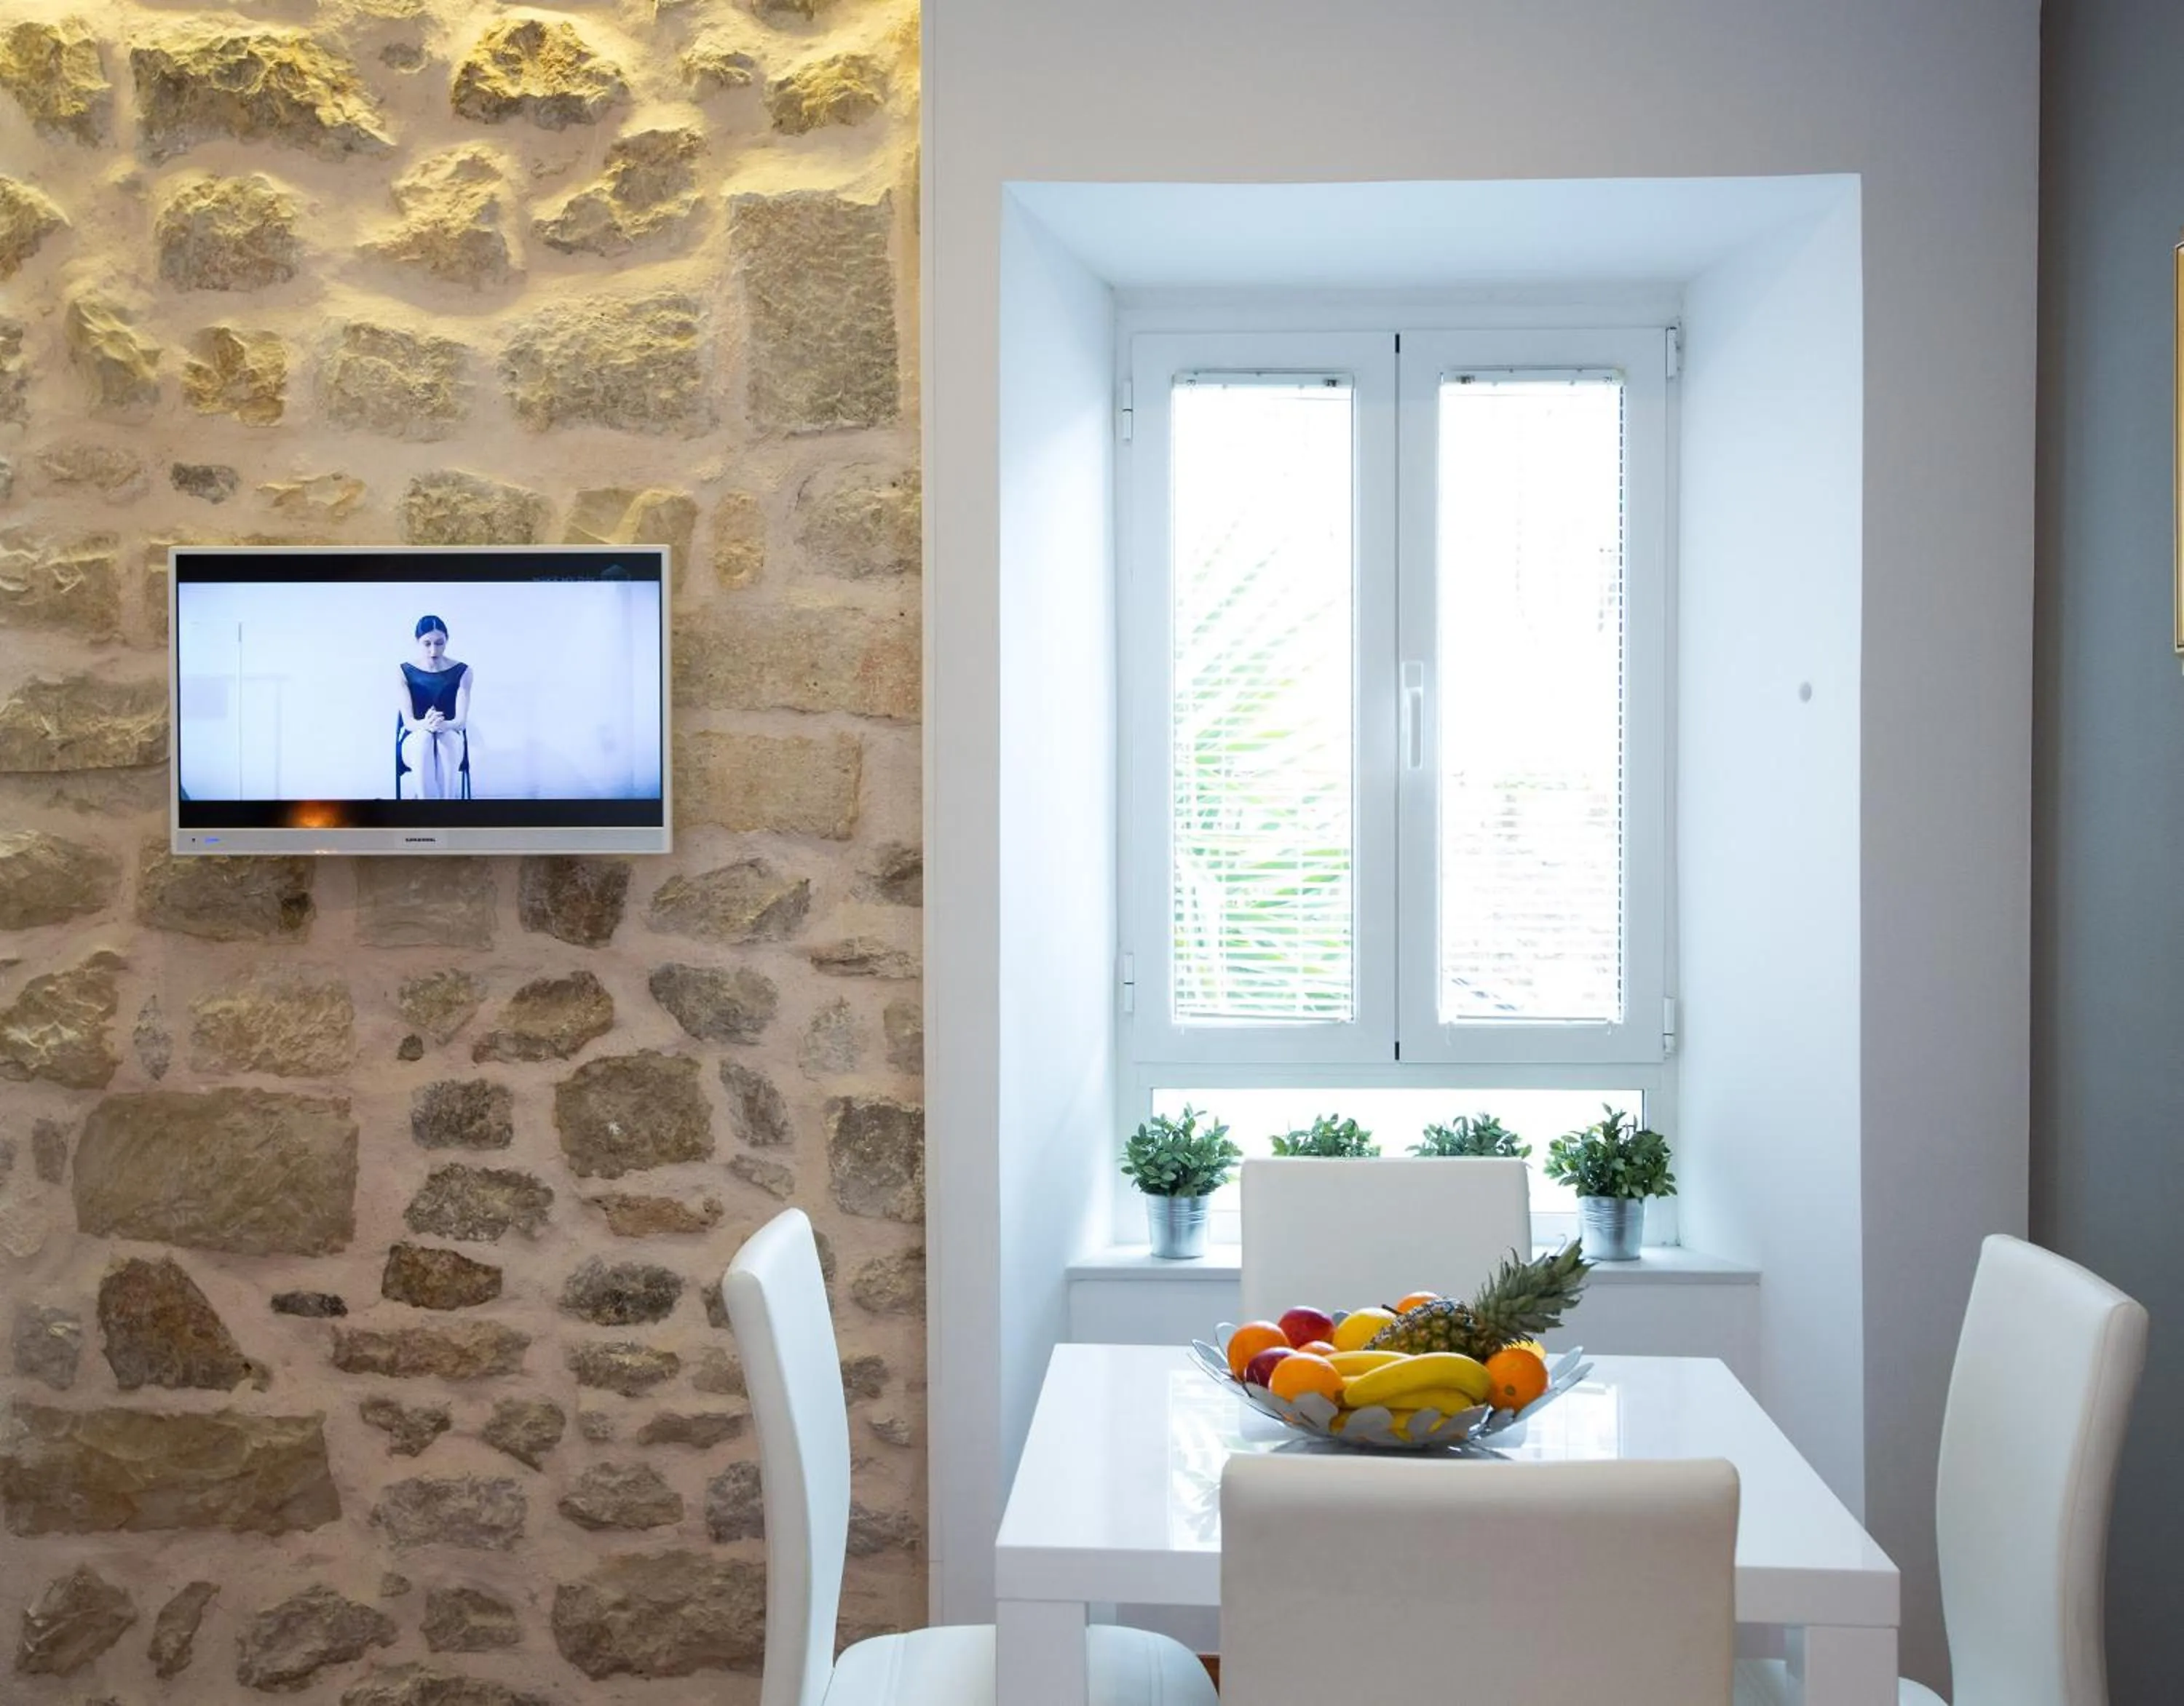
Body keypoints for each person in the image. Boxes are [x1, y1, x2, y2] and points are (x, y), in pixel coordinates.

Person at [397, 615, 472, 798]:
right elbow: (408, 723)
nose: (433, 650)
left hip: (450, 736)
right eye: (427, 644)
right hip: (415, 739)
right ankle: (426, 809)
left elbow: (460, 722)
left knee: (445, 738)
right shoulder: (403, 671)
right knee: (424, 738)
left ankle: (447, 808)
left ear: (447, 639)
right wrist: (427, 725)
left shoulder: (463, 671)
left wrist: (443, 725)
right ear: (417, 642)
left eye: (439, 643)